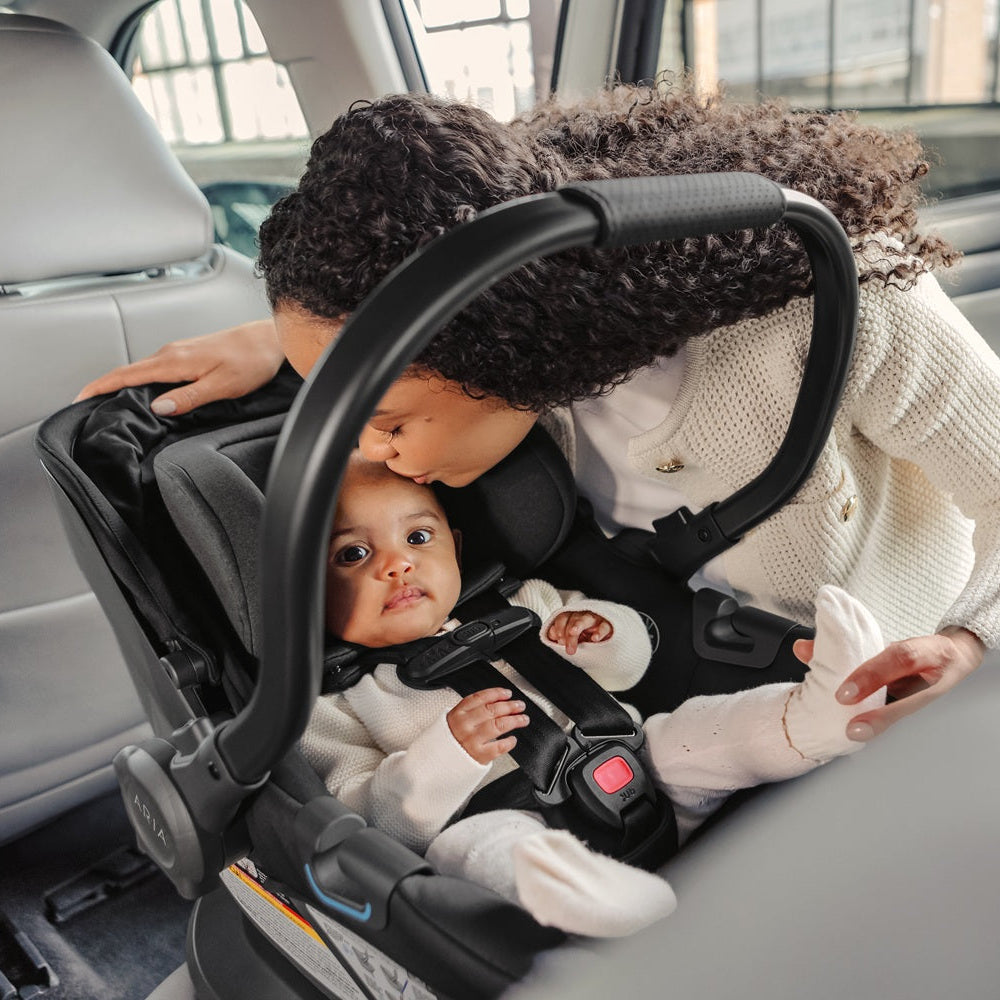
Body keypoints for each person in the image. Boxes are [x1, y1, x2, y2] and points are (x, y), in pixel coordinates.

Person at [76, 83, 997, 743]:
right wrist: (288, 348)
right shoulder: (513, 363)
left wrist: (970, 646)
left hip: (890, 704)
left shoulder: (840, 312)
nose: (379, 454)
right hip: (678, 694)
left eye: (388, 418)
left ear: (501, 337)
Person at [300, 451, 885, 937]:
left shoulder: (525, 602)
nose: (398, 563)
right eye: (354, 554)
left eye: (418, 536)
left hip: (641, 772)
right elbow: (368, 816)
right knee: (474, 849)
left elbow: (631, 664)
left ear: (453, 545)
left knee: (695, 731)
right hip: (504, 818)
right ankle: (586, 896)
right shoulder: (340, 704)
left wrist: (600, 634)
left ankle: (814, 719)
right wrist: (448, 753)